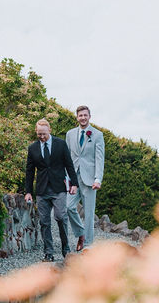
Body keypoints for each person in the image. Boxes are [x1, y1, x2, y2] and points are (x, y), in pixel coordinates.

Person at [24, 119, 78, 261]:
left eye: (44, 134)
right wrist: (28, 191)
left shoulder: (61, 144)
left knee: (61, 217)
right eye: (39, 134)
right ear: (36, 132)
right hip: (41, 190)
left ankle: (66, 249)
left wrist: (74, 184)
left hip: (58, 188)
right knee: (44, 222)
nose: (42, 137)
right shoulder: (32, 148)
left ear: (50, 130)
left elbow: (69, 164)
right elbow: (30, 171)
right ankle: (48, 253)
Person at [65, 105, 105, 252]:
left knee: (89, 213)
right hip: (73, 179)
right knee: (69, 207)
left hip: (90, 180)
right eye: (80, 115)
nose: (83, 118)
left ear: (89, 116)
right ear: (77, 117)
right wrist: (66, 177)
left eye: (85, 115)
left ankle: (88, 245)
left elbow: (99, 158)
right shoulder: (70, 134)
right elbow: (67, 157)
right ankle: (80, 233)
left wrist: (98, 179)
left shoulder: (97, 135)